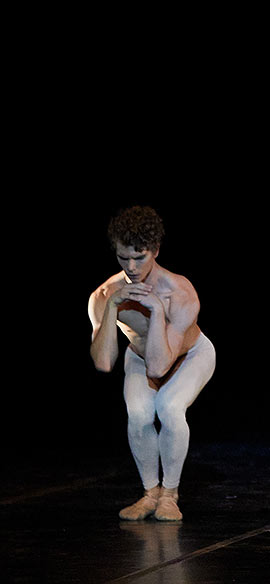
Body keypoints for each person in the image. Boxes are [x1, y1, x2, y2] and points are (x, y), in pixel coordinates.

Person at [88, 206, 216, 521]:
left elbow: (160, 368)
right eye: (123, 258)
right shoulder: (104, 294)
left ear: (155, 251)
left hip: (190, 356)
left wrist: (157, 311)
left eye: (139, 257)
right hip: (140, 355)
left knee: (169, 407)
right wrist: (112, 308)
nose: (130, 267)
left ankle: (170, 495)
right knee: (139, 414)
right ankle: (150, 493)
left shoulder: (179, 292)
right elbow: (104, 362)